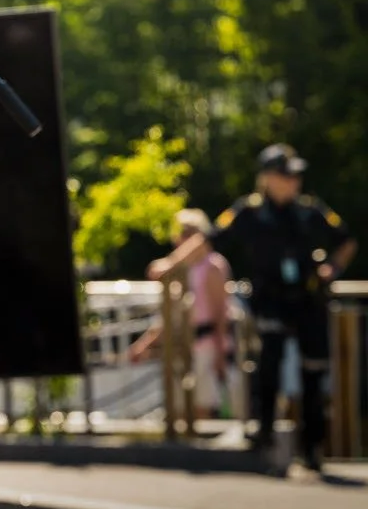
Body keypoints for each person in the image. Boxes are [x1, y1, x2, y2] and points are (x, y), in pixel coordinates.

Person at [164, 144, 356, 471]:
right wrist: (169, 265)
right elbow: (209, 240)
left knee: (314, 374)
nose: (293, 181)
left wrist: (332, 270)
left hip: (308, 302)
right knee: (268, 370)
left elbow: (347, 241)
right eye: (285, 175)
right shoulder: (250, 213)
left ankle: (312, 450)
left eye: (295, 175)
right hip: (271, 303)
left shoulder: (310, 211)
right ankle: (264, 434)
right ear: (267, 178)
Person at [133, 208, 230, 420]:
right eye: (180, 232)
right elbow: (170, 315)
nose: (182, 238)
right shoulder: (179, 271)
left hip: (205, 344)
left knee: (202, 407)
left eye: (189, 232)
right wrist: (144, 344)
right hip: (180, 345)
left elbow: (220, 313)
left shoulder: (212, 266)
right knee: (176, 410)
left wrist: (220, 354)